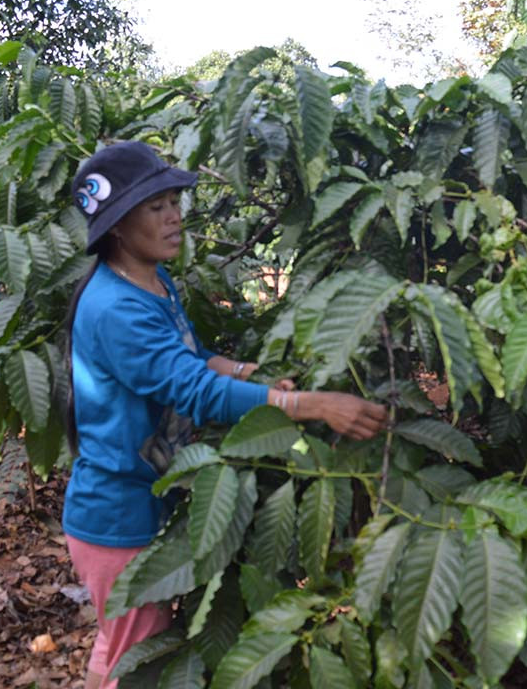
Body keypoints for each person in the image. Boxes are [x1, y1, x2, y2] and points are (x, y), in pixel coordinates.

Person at [62, 141, 388, 689]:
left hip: (139, 505)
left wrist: (246, 372)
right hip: (117, 519)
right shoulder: (115, 308)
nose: (174, 216)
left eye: (174, 202)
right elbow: (194, 390)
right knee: (136, 663)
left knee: (119, 645)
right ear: (117, 225)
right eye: (156, 206)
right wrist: (310, 406)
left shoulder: (150, 280)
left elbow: (188, 357)